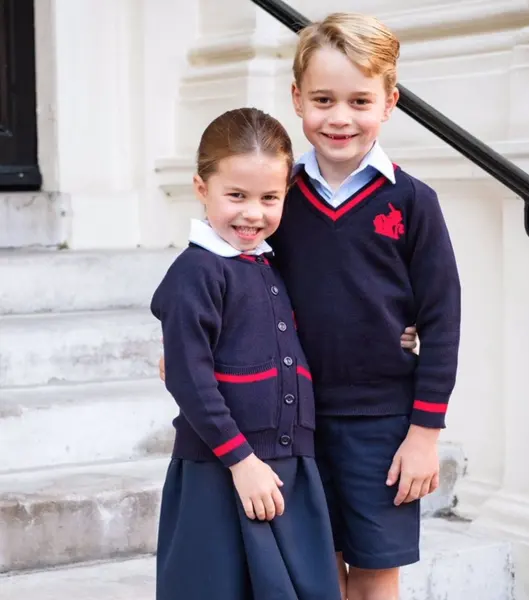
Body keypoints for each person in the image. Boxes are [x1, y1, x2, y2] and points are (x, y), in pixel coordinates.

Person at [271, 12, 461, 599]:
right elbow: (232, 284)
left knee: (377, 572)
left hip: (382, 423)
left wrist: (425, 433)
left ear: (389, 102)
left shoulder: (413, 201)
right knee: (316, 570)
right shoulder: (276, 199)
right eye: (323, 99)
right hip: (292, 418)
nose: (340, 117)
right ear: (298, 99)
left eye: (359, 100)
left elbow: (443, 321)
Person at [151, 107, 341, 599]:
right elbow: (188, 377)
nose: (252, 213)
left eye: (269, 198)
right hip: (221, 468)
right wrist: (241, 462)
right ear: (201, 188)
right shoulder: (197, 273)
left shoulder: (271, 266)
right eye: (236, 195)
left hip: (288, 466)